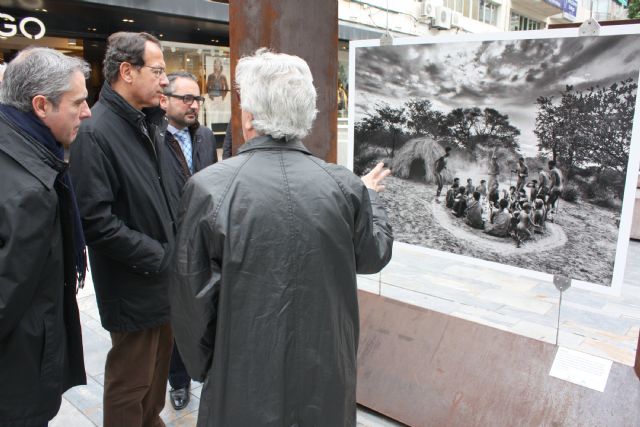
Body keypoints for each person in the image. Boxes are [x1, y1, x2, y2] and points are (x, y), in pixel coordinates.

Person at [169, 48, 393, 426]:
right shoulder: (343, 186)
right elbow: (373, 255)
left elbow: (191, 297)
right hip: (325, 372)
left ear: (249, 117)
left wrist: (207, 366)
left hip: (241, 374)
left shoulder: (210, 187)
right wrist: (369, 195)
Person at [69, 32, 174, 426]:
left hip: (162, 281)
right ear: (127, 72)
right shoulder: (96, 132)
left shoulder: (148, 122)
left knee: (154, 382)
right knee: (130, 385)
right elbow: (95, 222)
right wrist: (161, 256)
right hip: (134, 287)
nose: (164, 80)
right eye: (158, 70)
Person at [0, 47, 91, 426]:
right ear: (41, 105)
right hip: (17, 378)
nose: (87, 112)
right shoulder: (30, 190)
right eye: (79, 102)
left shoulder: (28, 154)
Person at [160, 71, 218, 410]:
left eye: (197, 99)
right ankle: (178, 382)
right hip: (172, 242)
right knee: (177, 316)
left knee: (206, 310)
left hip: (206, 240)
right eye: (187, 98)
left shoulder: (206, 136)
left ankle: (207, 370)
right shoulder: (153, 138)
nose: (194, 104)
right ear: (165, 99)